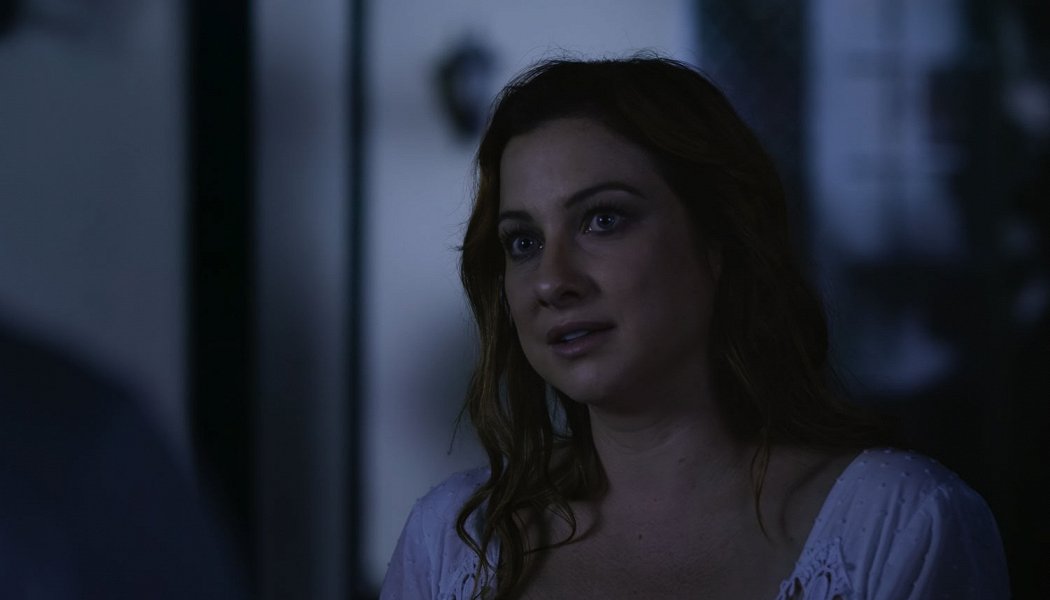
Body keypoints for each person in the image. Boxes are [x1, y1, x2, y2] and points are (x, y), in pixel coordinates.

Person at [380, 56, 1009, 599]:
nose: (551, 281)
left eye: (603, 220)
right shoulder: (453, 541)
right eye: (524, 241)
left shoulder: (897, 525)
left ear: (719, 241)